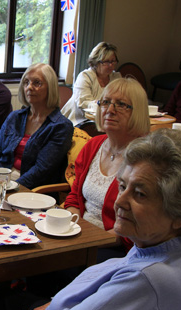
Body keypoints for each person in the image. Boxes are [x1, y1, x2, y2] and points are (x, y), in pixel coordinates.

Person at [0, 129, 181, 310]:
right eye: (122, 186)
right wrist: (59, 305)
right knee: (5, 301)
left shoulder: (148, 281)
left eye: (140, 194)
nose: (120, 201)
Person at [63, 77, 150, 254]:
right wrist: (74, 228)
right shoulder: (93, 145)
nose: (110, 110)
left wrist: (86, 241)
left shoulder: (144, 158)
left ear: (138, 112)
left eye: (121, 104)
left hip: (115, 247)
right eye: (105, 102)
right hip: (81, 236)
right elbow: (74, 197)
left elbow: (133, 228)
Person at [0, 63, 73, 190]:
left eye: (37, 83)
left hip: (31, 191)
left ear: (51, 88)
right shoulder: (15, 117)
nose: (29, 87)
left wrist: (10, 188)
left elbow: (41, 171)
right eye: (26, 82)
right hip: (1, 182)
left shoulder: (61, 126)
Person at [61, 42, 122, 126]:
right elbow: (83, 103)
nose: (111, 65)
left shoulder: (116, 77)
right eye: (107, 62)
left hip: (104, 120)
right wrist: (102, 105)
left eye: (113, 61)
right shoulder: (85, 76)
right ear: (96, 62)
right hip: (79, 121)